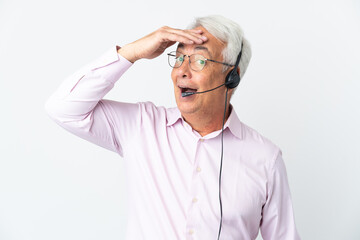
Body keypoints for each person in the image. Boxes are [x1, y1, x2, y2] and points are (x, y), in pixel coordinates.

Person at [45, 15, 300, 240]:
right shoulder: (141, 126)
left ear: (231, 77)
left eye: (199, 61)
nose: (181, 72)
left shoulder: (266, 159)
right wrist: (131, 53)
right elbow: (63, 107)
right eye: (178, 58)